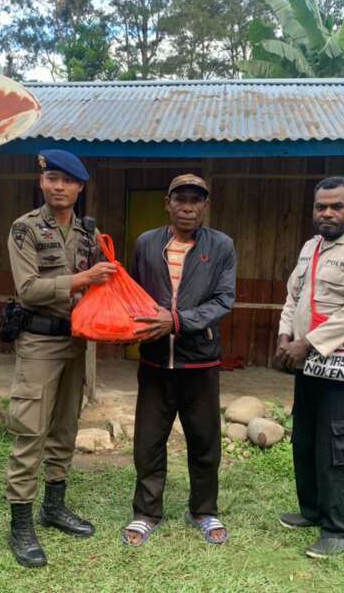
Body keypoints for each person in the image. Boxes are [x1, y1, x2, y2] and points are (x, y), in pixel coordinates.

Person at [4, 149, 117, 568]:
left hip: (77, 342)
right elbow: (28, 289)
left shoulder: (89, 232)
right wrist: (84, 279)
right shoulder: (25, 228)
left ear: (80, 187)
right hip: (38, 342)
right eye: (52, 178)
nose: (59, 186)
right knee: (30, 430)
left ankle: (53, 507)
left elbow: (102, 283)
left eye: (68, 181)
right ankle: (21, 524)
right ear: (41, 181)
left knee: (66, 428)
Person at [121, 174, 236, 547]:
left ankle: (203, 510)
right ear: (167, 204)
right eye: (180, 199)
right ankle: (146, 512)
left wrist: (177, 321)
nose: (187, 207)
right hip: (155, 362)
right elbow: (135, 293)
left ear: (205, 206)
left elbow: (223, 300)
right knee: (148, 441)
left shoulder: (221, 246)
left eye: (195, 200)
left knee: (204, 441)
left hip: (200, 362)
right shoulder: (147, 243)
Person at [275, 176, 344, 559]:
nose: (327, 213)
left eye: (336, 206)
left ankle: (339, 531)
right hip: (306, 365)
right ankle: (312, 511)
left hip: (340, 368)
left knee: (338, 447)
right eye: (320, 206)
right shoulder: (310, 248)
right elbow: (293, 297)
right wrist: (285, 336)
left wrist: (305, 344)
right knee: (305, 440)